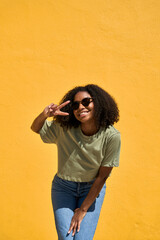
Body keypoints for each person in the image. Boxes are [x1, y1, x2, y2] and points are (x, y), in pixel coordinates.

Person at [31, 84, 121, 240]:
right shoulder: (64, 127)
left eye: (86, 102)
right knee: (66, 238)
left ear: (98, 103)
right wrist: (45, 114)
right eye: (75, 105)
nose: (81, 107)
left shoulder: (111, 136)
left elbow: (102, 177)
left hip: (92, 189)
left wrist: (82, 210)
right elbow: (35, 128)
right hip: (63, 188)